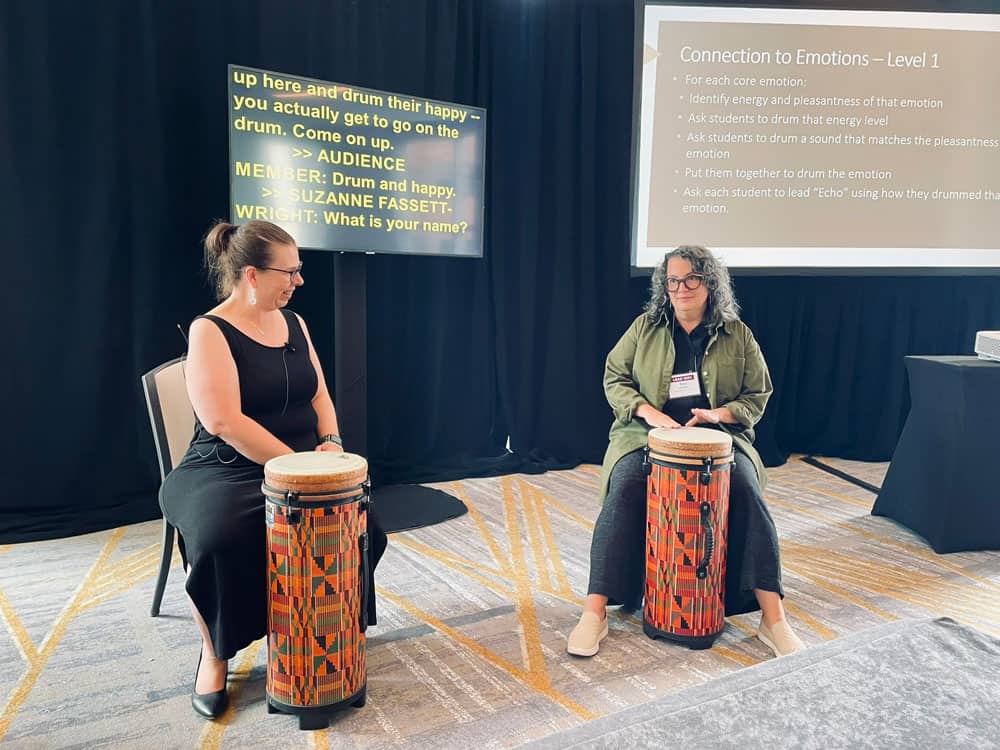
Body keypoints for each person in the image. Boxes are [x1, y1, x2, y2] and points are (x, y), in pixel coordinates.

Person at [159, 220, 387, 719]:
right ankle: (215, 655)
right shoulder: (210, 330)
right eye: (290, 271)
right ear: (251, 275)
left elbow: (321, 396)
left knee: (365, 525)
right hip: (225, 468)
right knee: (221, 538)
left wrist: (330, 444)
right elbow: (224, 421)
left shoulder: (295, 324)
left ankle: (324, 633)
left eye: (299, 270)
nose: (298, 281)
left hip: (303, 462)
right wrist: (297, 469)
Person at [566, 245, 804, 659]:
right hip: (644, 437)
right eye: (673, 280)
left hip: (721, 442)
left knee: (747, 492)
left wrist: (719, 414)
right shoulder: (645, 328)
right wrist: (647, 412)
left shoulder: (738, 334)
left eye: (691, 279)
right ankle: (594, 612)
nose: (681, 289)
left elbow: (758, 393)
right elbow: (614, 376)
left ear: (710, 284)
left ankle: (774, 619)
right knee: (623, 489)